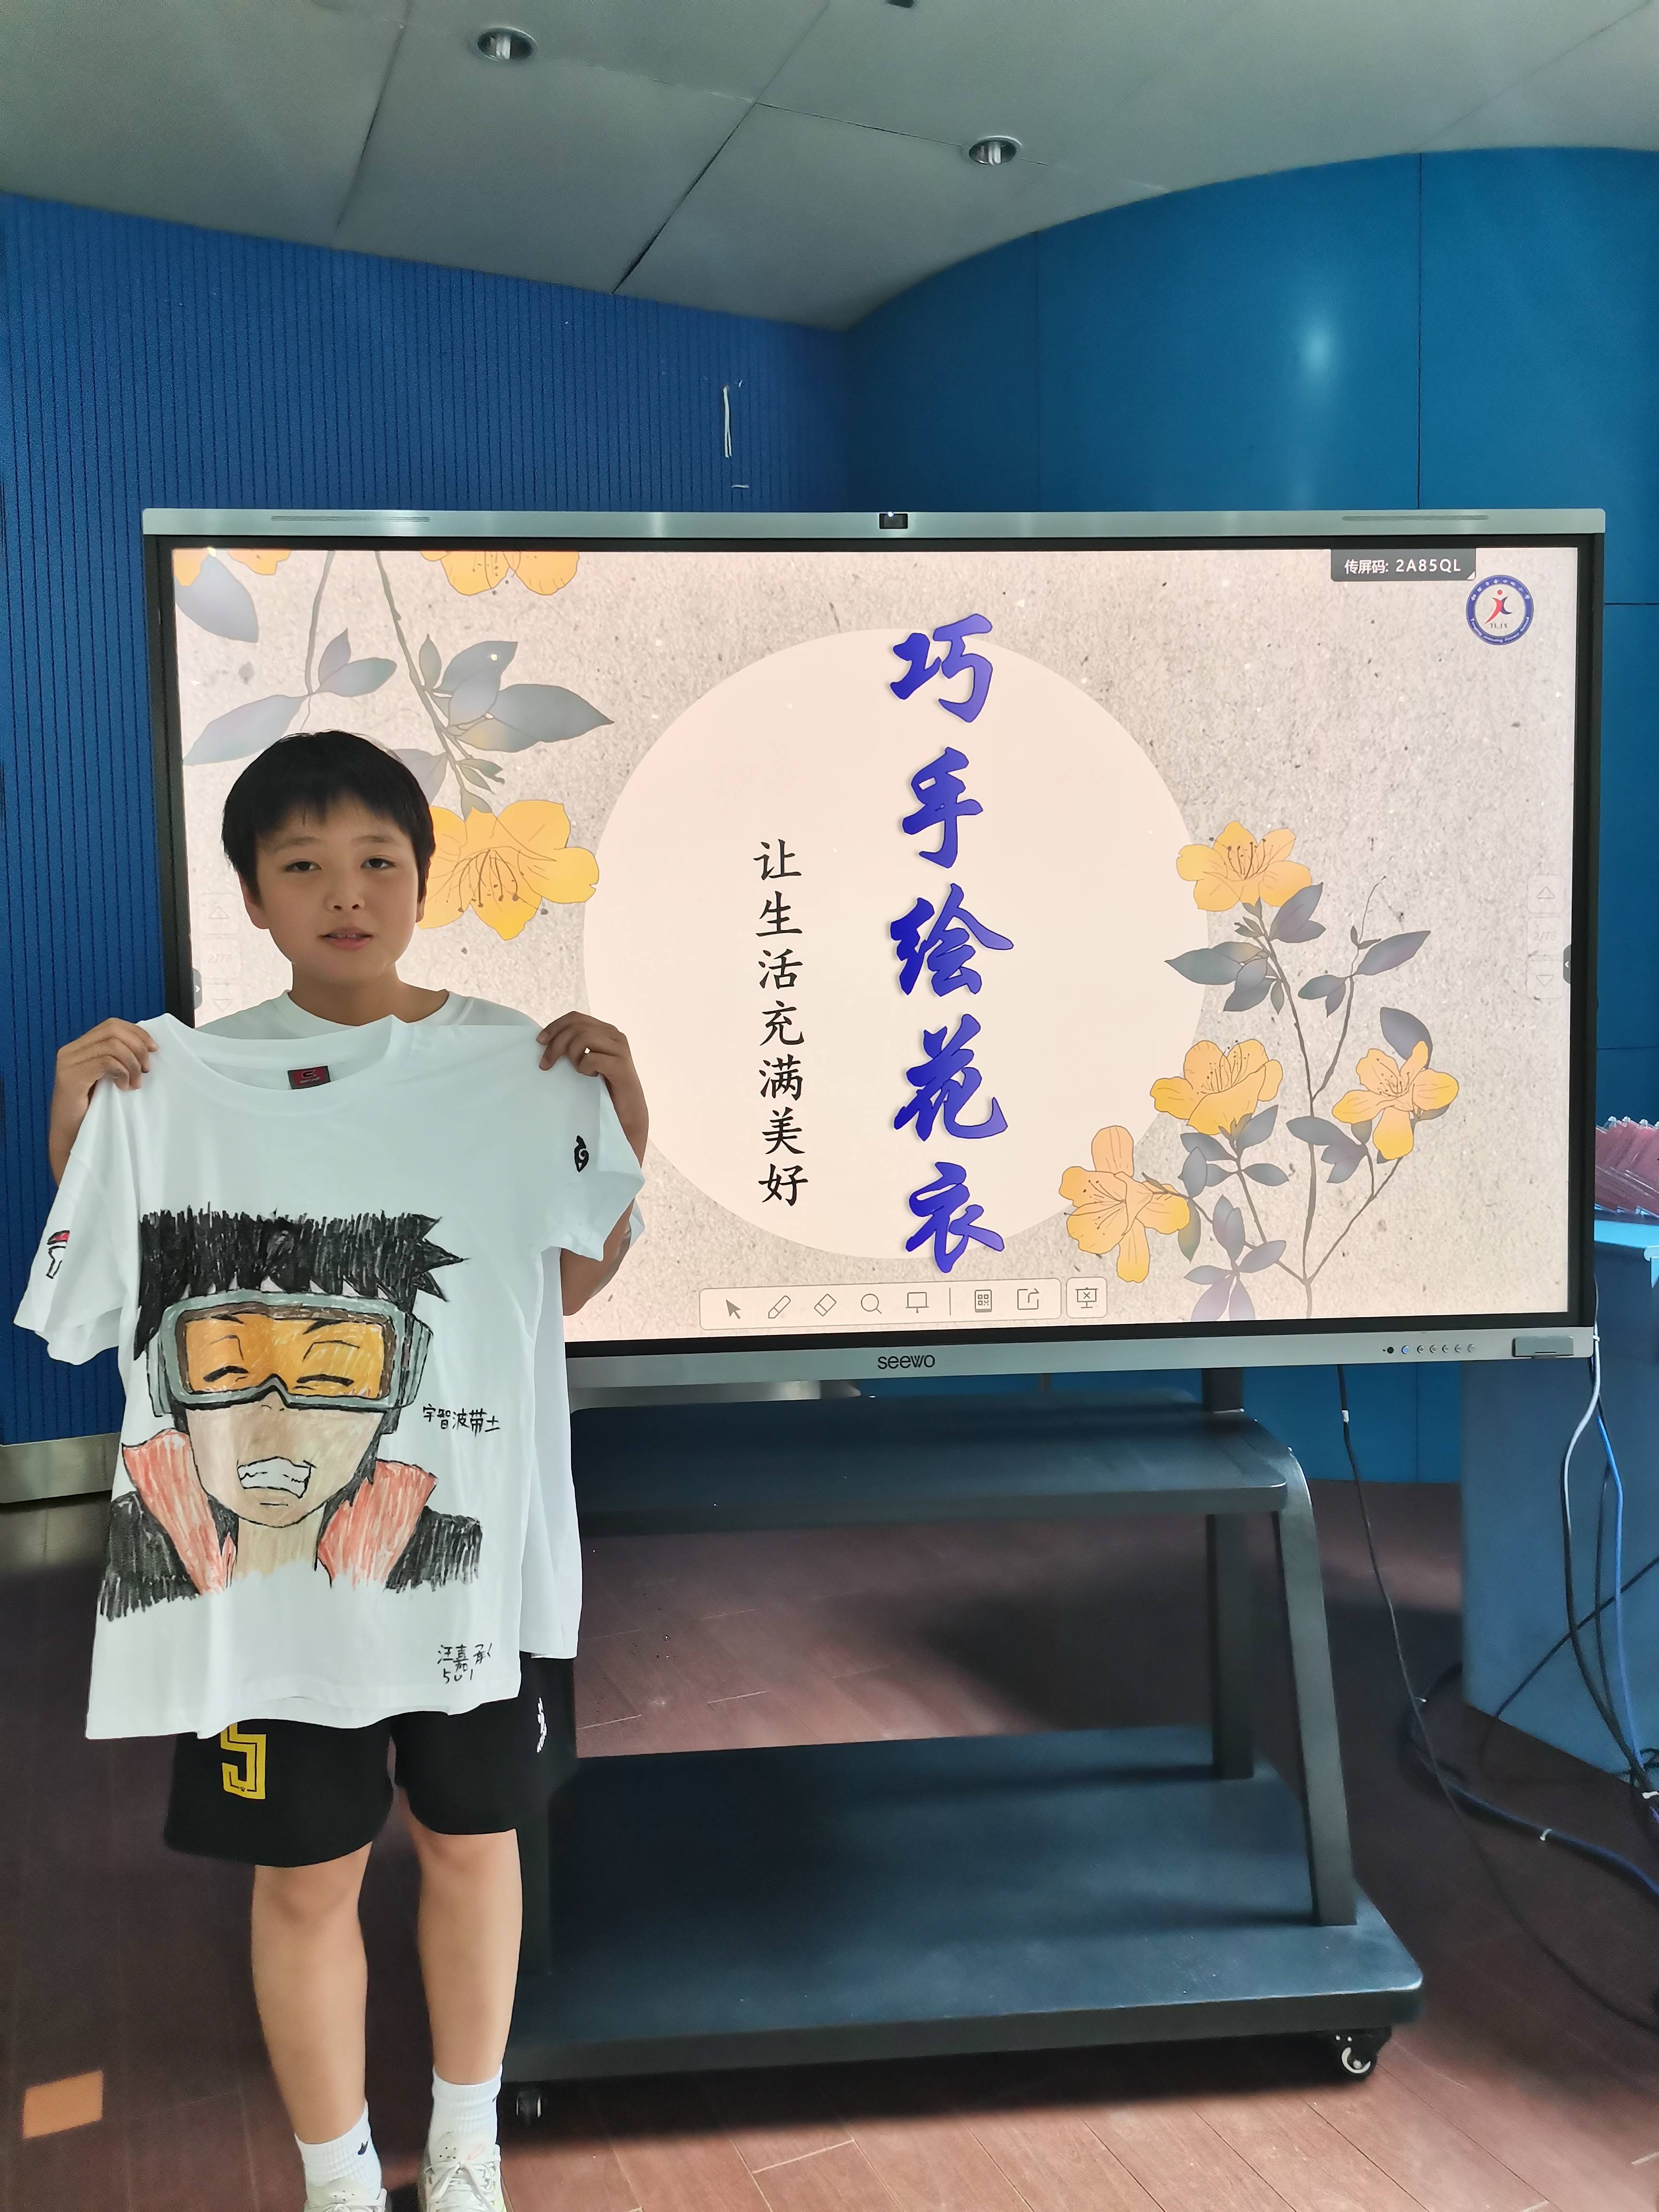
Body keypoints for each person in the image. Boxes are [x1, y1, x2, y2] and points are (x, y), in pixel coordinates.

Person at [43, 732, 649, 2212]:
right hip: (265, 1586)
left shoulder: (516, 1061)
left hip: (470, 1565)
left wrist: (621, 1124)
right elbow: (113, 1304)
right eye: (303, 865)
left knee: (474, 1841)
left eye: (378, 859)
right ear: (253, 898)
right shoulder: (177, 1081)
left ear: (424, 880)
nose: (346, 892)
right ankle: (336, 2180)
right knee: (305, 1875)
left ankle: (466, 2151)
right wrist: (81, 1138)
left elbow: (560, 1290)